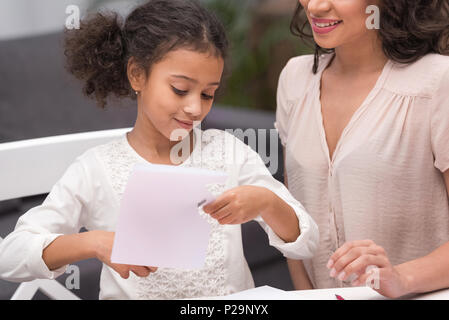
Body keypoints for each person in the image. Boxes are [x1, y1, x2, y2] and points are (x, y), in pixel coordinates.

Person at [0, 0, 319, 300]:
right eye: (180, 90)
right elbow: (10, 256)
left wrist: (266, 202)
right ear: (137, 74)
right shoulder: (95, 169)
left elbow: (307, 242)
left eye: (208, 94)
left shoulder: (229, 154)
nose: (195, 108)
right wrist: (93, 243)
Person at [276, 0, 449, 298]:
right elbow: (294, 223)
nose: (315, 6)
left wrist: (401, 278)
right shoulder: (295, 79)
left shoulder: (437, 83)